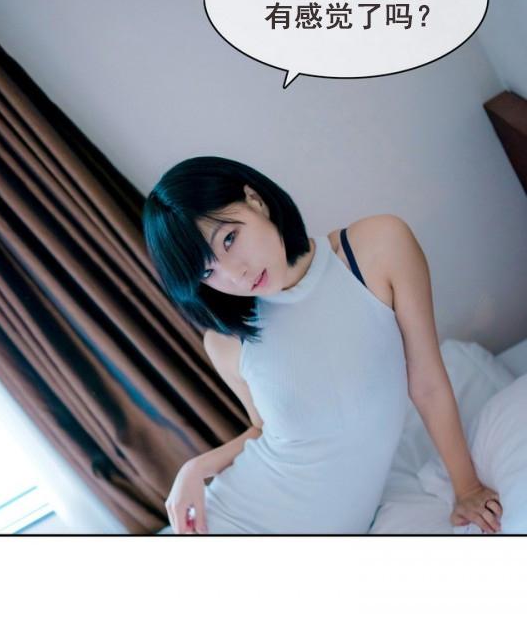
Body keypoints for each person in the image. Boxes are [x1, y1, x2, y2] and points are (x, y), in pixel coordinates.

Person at [143, 156, 504, 534]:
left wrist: (467, 488)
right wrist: (195, 468)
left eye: (229, 239)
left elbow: (427, 383)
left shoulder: (375, 250)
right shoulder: (226, 342)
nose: (236, 274)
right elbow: (265, 430)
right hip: (231, 518)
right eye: (207, 271)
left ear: (254, 200)